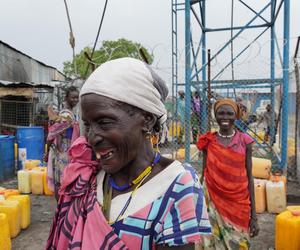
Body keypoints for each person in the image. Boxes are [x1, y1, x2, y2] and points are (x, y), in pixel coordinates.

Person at [46, 58, 211, 250]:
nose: (92, 138)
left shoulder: (175, 186)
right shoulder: (90, 176)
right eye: (88, 125)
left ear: (147, 120)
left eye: (104, 122)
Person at [197, 98, 259, 250]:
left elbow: (249, 176)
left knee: (239, 244)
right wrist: (196, 204)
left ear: (236, 115)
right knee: (210, 243)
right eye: (221, 113)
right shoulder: (208, 141)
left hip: (238, 203)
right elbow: (204, 174)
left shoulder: (245, 141)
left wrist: (254, 216)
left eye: (229, 113)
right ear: (215, 116)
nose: (225, 117)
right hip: (211, 201)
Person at [46, 86, 80, 200]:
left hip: (67, 148)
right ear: (67, 98)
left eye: (77, 98)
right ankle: (60, 207)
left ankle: (62, 207)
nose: (75, 100)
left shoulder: (69, 112)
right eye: (73, 97)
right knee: (60, 181)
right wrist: (47, 151)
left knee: (63, 179)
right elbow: (53, 134)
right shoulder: (66, 114)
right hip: (63, 150)